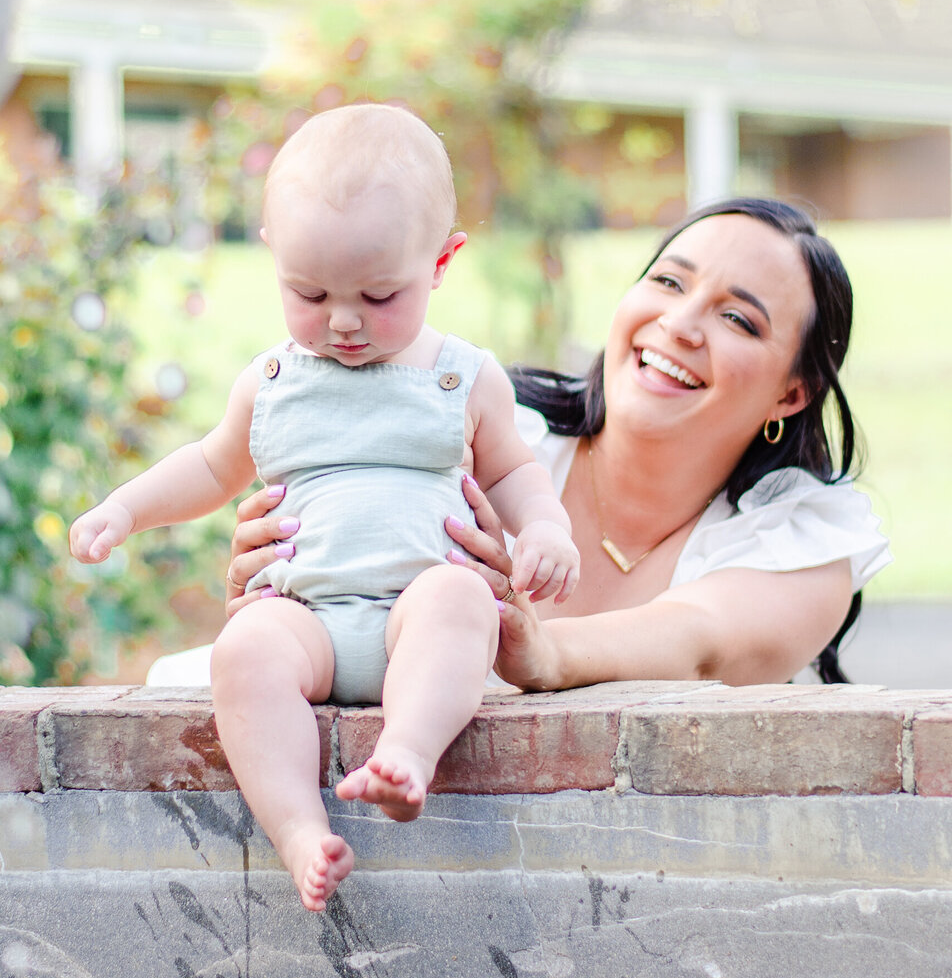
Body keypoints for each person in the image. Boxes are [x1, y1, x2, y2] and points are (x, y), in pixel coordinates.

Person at [72, 105, 579, 911]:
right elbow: (209, 465)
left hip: (412, 615)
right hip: (304, 619)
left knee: (460, 598)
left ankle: (407, 755)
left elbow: (515, 470)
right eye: (309, 293)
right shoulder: (272, 380)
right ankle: (300, 829)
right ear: (275, 257)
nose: (343, 322)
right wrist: (126, 509)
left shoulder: (461, 376)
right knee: (241, 652)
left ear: (442, 262)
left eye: (380, 295)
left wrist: (546, 528)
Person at [194, 198, 890, 693]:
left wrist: (547, 652)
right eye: (668, 281)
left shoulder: (802, 544)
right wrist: (279, 580)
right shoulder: (490, 433)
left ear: (791, 394)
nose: (680, 323)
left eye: (738, 318)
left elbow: (702, 643)